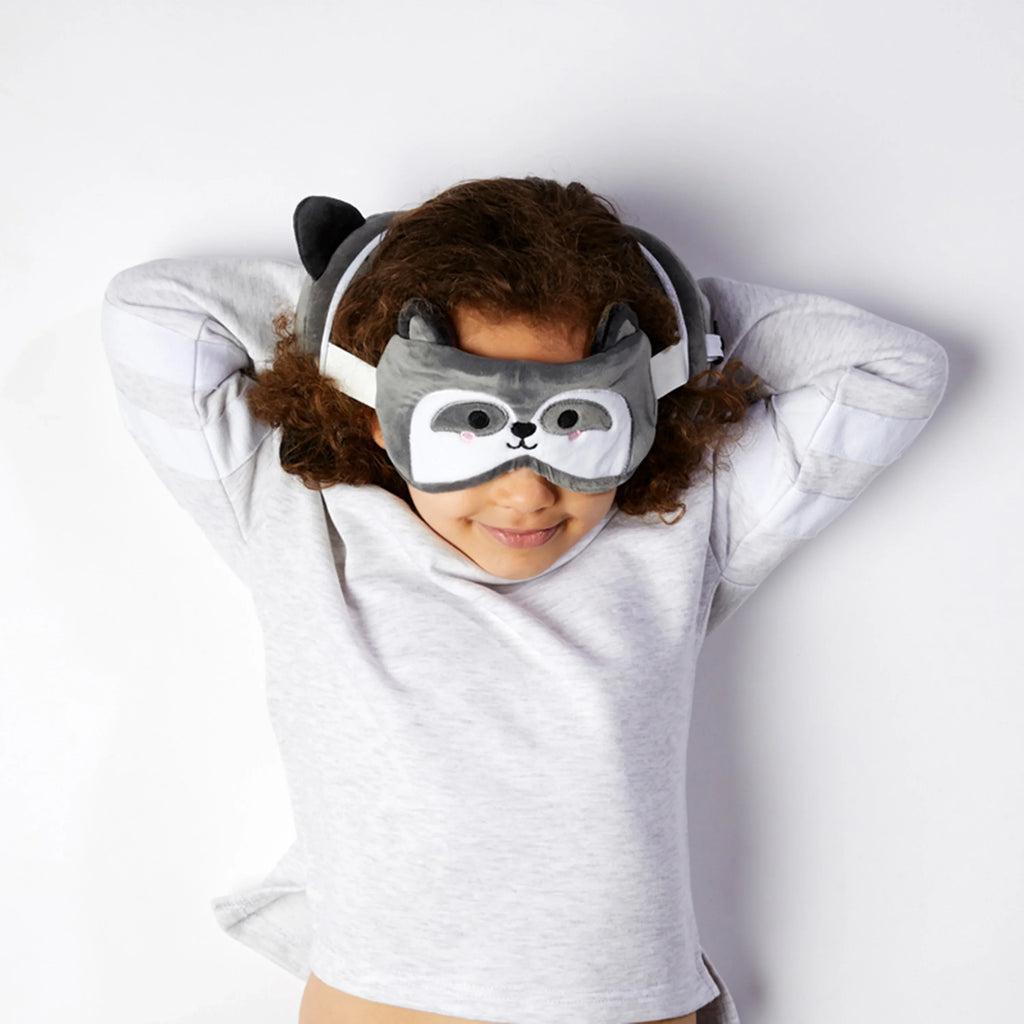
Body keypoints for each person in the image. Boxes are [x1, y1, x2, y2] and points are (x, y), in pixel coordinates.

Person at [101, 177, 948, 1024]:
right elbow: (153, 312)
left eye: (576, 422)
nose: (527, 494)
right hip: (390, 1000)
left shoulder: (680, 536)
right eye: (467, 421)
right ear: (376, 412)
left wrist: (674, 320)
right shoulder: (296, 516)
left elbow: (893, 371)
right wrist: (359, 304)